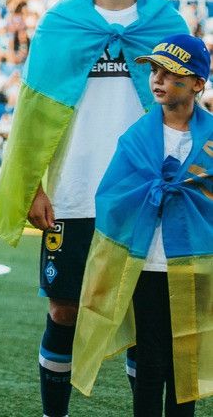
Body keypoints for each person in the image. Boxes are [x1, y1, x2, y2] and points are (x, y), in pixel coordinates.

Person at [0, 0, 187, 417]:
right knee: (65, 310)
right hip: (73, 195)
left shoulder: (167, 23)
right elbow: (32, 114)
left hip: (145, 197)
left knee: (145, 317)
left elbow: (185, 111)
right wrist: (32, 185)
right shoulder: (61, 23)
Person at [71, 34, 213, 415]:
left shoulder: (211, 138)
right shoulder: (136, 137)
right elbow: (112, 197)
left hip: (197, 264)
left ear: (198, 83)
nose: (158, 80)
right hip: (147, 264)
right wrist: (155, 193)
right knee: (149, 361)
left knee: (188, 364)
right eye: (154, 71)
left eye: (171, 74)